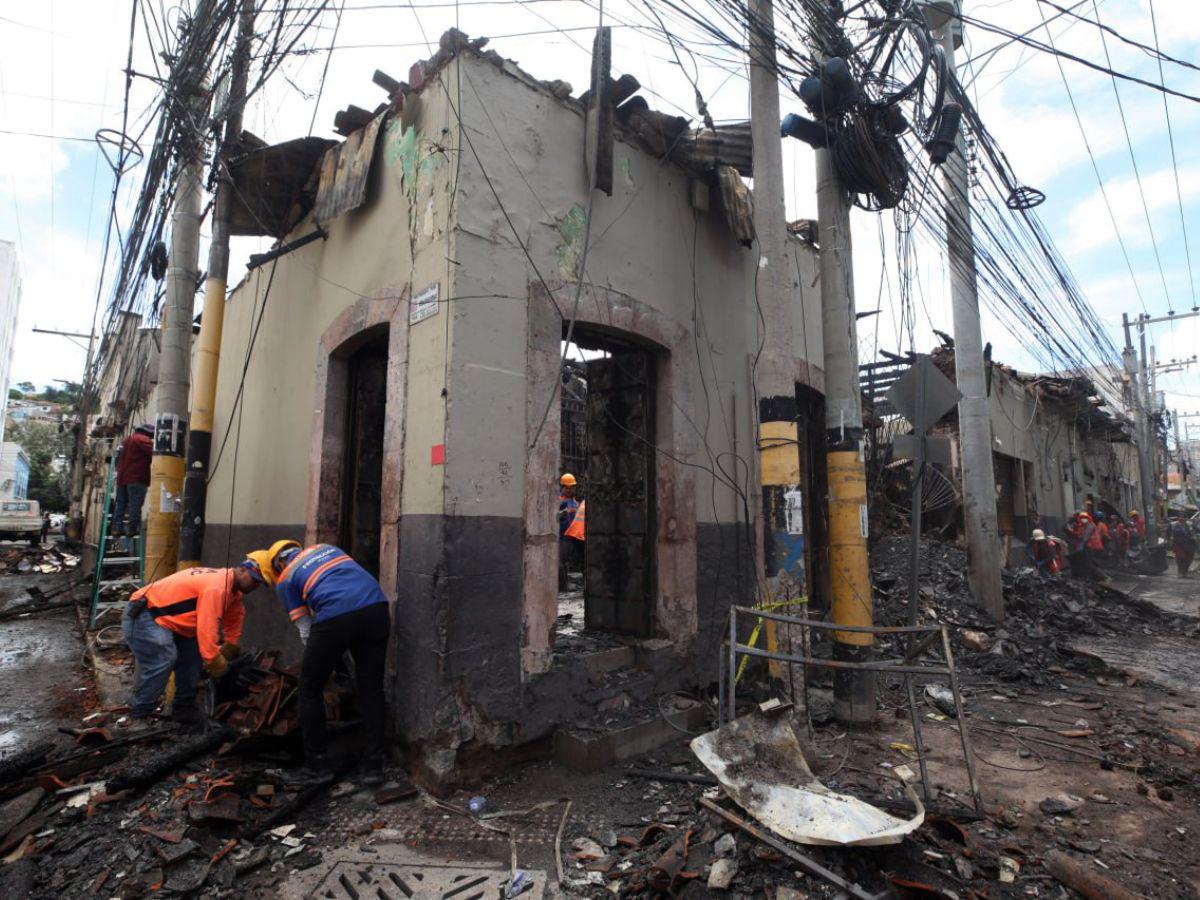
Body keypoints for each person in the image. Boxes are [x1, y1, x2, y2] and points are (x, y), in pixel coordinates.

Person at [246, 541, 391, 787]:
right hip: (376, 608)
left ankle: (317, 766)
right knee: (372, 689)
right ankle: (374, 766)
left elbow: (306, 630)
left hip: (336, 616)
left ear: (278, 565)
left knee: (309, 690)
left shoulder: (286, 579)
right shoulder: (328, 548)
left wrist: (323, 661)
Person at [121, 562, 262, 729]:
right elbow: (206, 628)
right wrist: (217, 664)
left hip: (169, 619)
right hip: (146, 613)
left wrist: (229, 650)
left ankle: (183, 708)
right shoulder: (217, 587)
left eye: (260, 583)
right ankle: (140, 714)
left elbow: (233, 622)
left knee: (192, 657)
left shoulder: (233, 593)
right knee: (164, 659)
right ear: (242, 569)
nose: (255, 585)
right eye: (254, 580)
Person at [112, 424, 153, 546]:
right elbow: (157, 453)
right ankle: (131, 529)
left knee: (121, 504)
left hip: (122, 479)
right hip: (136, 478)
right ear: (147, 433)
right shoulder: (142, 439)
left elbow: (117, 458)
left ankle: (116, 528)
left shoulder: (125, 441)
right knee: (135, 504)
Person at [558, 473, 584, 590]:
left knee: (567, 562)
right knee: (560, 562)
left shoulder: (576, 503)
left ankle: (566, 584)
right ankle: (562, 587)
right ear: (562, 487)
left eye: (571, 487)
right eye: (566, 487)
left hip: (573, 538)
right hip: (562, 537)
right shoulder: (557, 501)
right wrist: (560, 514)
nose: (569, 490)